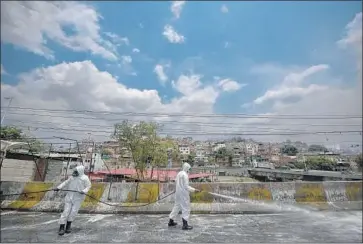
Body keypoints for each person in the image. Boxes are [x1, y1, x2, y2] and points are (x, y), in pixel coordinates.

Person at [54, 165, 91, 236]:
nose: (74, 172)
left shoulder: (85, 178)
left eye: (76, 171)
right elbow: (65, 182)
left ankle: (68, 225)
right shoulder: (72, 177)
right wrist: (58, 188)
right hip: (69, 197)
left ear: (80, 171)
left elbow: (88, 186)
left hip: (78, 198)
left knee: (73, 212)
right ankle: (61, 227)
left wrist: (84, 191)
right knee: (66, 211)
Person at [168, 162, 200, 230]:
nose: (189, 171)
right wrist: (194, 190)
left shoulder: (179, 173)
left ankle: (171, 221)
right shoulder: (185, 175)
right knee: (186, 208)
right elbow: (186, 186)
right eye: (189, 169)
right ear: (187, 169)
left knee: (176, 206)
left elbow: (176, 182)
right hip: (183, 194)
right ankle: (185, 225)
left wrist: (176, 189)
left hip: (178, 193)